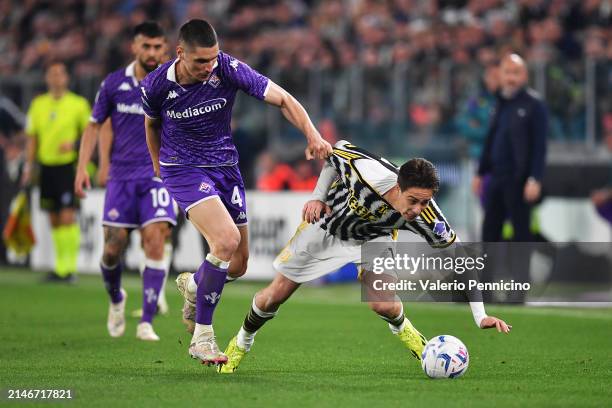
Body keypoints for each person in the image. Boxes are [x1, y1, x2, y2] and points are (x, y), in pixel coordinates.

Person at [178, 140, 512, 373]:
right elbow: (333, 152)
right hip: (327, 227)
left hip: (375, 236)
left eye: (425, 202)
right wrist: (317, 196)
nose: (417, 210)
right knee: (273, 298)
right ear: (397, 185)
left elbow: (462, 260)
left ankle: (413, 338)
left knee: (383, 302)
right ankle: (242, 342)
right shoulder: (365, 170)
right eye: (413, 200)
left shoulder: (428, 219)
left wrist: (479, 315)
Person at [141, 19, 332, 365]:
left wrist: (313, 135)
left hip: (225, 168)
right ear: (180, 53)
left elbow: (284, 99)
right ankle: (202, 338)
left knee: (240, 263)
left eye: (212, 58)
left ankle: (194, 287)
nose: (209, 66)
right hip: (182, 168)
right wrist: (156, 163)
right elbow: (151, 123)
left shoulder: (227, 68)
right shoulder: (155, 85)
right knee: (225, 241)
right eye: (200, 61)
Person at [74, 22, 176, 341]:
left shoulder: (174, 83)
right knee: (112, 249)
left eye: (158, 47)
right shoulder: (114, 84)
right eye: (146, 46)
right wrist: (82, 168)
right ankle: (117, 298)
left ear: (166, 48)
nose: (152, 53)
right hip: (120, 177)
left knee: (155, 240)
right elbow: (94, 126)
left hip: (157, 176)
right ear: (134, 47)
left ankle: (146, 321)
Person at [22, 62, 90, 282]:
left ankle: (69, 269)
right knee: (53, 218)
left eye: (60, 74)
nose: (56, 78)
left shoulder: (78, 104)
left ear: (67, 78)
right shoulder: (38, 104)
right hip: (46, 166)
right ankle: (59, 268)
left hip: (67, 166)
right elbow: (32, 138)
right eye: (52, 74)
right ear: (47, 78)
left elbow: (90, 134)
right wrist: (29, 166)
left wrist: (74, 144)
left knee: (67, 216)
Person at [472, 53, 548, 242]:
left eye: (516, 72)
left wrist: (535, 178)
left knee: (521, 232)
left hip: (519, 179)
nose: (511, 77)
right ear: (501, 75)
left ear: (525, 75)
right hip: (496, 176)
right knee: (489, 230)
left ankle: (522, 273)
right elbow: (490, 140)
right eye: (507, 72)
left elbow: (540, 145)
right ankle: (486, 273)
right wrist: (480, 173)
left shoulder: (534, 104)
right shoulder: (499, 102)